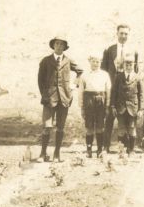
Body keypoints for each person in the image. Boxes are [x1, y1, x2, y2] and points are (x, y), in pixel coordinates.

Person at [37, 35, 83, 163]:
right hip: (49, 99)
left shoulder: (68, 61)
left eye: (62, 44)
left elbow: (80, 71)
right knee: (47, 126)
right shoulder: (46, 61)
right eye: (57, 44)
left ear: (64, 47)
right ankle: (42, 153)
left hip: (64, 98)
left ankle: (57, 154)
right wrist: (44, 94)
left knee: (60, 127)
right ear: (53, 45)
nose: (59, 46)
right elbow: (40, 80)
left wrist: (74, 85)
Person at [101, 24, 139, 152]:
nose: (123, 36)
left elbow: (136, 70)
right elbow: (104, 69)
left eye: (126, 34)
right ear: (117, 34)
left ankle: (127, 148)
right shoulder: (110, 49)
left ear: (128, 35)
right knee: (110, 117)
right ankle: (105, 146)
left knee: (127, 120)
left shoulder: (133, 51)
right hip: (113, 87)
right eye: (121, 33)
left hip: (126, 88)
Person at [110, 54, 144, 156]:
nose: (128, 66)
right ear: (123, 65)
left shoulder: (137, 78)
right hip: (121, 108)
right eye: (126, 64)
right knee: (121, 129)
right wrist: (112, 106)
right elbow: (114, 93)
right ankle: (122, 150)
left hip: (133, 108)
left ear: (133, 65)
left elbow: (141, 95)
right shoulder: (119, 77)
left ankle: (131, 150)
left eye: (130, 64)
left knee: (132, 129)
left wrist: (141, 109)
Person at [78, 53, 112, 158]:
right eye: (93, 61)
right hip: (89, 101)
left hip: (100, 101)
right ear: (90, 62)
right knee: (89, 127)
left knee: (100, 127)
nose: (96, 63)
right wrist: (82, 107)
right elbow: (81, 92)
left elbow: (108, 91)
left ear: (100, 62)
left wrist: (107, 105)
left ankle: (99, 150)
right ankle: (89, 150)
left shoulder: (105, 75)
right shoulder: (84, 75)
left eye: (98, 61)